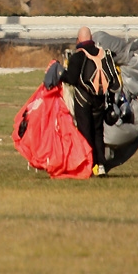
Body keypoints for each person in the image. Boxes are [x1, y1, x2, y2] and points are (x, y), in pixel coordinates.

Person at [48, 26, 120, 177]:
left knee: (85, 133)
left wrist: (60, 74)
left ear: (78, 40)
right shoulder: (103, 54)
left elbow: (72, 79)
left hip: (83, 101)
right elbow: (114, 81)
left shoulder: (78, 57)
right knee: (98, 133)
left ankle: (88, 165)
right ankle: (100, 166)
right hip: (100, 100)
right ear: (91, 38)